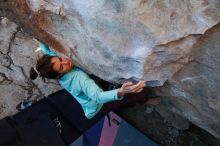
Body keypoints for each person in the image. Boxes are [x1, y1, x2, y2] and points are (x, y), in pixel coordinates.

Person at [30, 43, 160, 119]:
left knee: (100, 83)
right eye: (62, 66)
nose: (65, 61)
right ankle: (145, 99)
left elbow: (50, 52)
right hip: (96, 107)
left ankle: (113, 90)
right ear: (59, 75)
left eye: (60, 59)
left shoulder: (57, 67)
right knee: (127, 98)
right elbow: (98, 97)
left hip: (89, 92)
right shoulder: (78, 79)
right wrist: (120, 91)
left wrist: (42, 44)